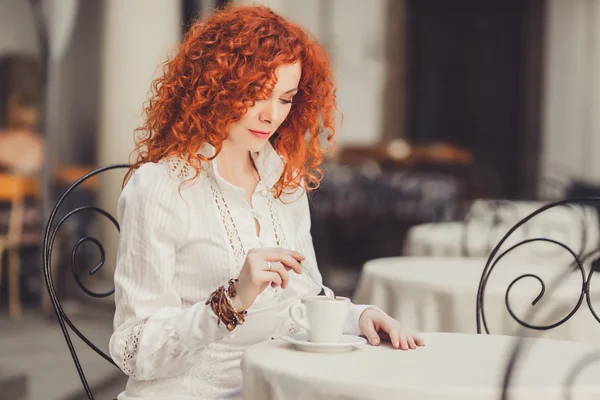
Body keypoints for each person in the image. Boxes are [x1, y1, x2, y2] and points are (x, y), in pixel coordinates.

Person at [109, 5, 424, 399]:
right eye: (256, 93)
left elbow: (302, 299)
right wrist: (232, 300)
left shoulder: (284, 183)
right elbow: (136, 350)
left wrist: (358, 316)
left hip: (272, 388)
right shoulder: (160, 187)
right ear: (216, 85)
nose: (271, 116)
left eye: (286, 98)